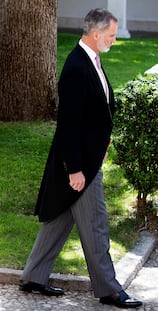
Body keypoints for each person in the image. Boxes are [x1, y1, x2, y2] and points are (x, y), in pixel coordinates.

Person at [20, 8, 143, 309]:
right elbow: (68, 125)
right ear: (96, 33)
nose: (114, 41)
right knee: (97, 225)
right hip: (81, 167)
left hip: (87, 161)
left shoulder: (92, 60)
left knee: (59, 219)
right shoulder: (77, 67)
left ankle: (34, 277)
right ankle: (109, 290)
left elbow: (97, 112)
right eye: (112, 36)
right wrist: (75, 169)